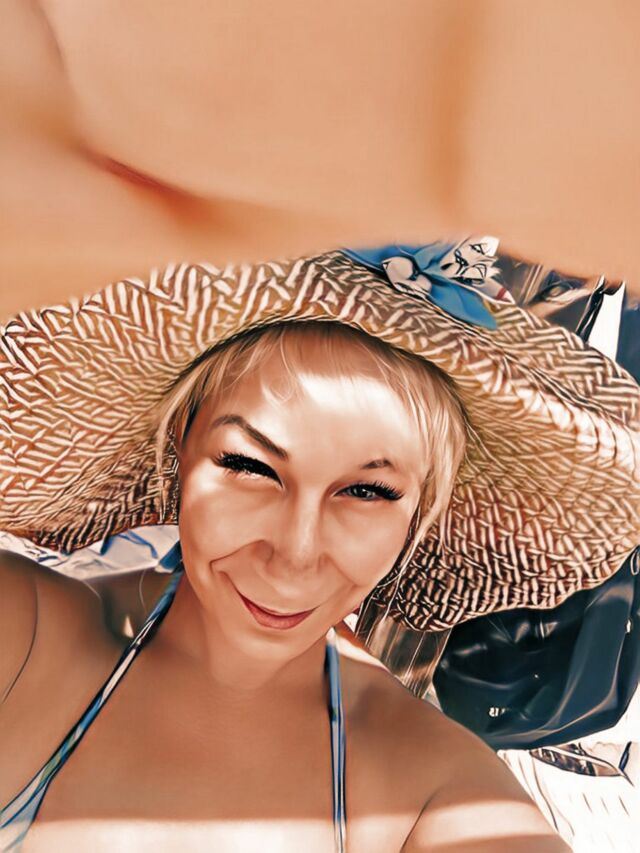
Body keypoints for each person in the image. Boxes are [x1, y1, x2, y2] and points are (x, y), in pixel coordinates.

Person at [2, 237, 638, 851]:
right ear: (178, 445)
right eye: (250, 467)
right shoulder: (23, 638)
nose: (295, 556)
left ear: (420, 512)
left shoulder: (437, 799)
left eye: (367, 491)